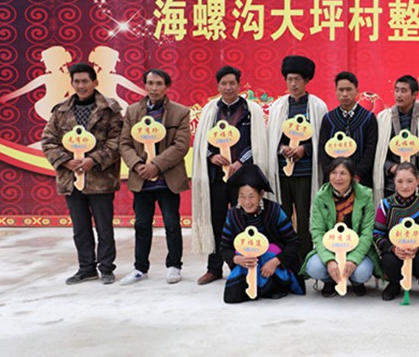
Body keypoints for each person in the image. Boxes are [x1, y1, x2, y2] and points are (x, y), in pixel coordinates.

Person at [41, 62, 123, 285]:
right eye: (76, 81)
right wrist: (66, 162)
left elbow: (117, 141)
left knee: (104, 227)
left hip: (100, 179)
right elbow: (48, 141)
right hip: (71, 178)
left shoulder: (109, 109)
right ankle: (86, 268)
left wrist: (93, 159)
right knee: (80, 227)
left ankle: (106, 268)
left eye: (85, 81)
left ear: (95, 82)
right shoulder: (61, 111)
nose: (81, 85)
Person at [192, 65, 269, 285]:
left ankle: (243, 267)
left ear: (239, 85)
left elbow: (258, 141)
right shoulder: (210, 111)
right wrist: (212, 157)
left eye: (232, 83)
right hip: (217, 177)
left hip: (243, 179)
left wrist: (241, 161)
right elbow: (201, 142)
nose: (228, 88)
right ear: (218, 86)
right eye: (223, 84)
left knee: (243, 221)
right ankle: (214, 268)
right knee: (216, 221)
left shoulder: (251, 110)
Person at [118, 69, 190, 286]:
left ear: (167, 86)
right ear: (145, 85)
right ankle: (140, 268)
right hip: (141, 179)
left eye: (159, 83)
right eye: (150, 83)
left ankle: (174, 266)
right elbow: (124, 143)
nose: (154, 88)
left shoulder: (180, 112)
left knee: (171, 224)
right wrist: (138, 165)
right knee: (141, 225)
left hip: (167, 179)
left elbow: (181, 145)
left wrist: (156, 165)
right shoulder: (132, 111)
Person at [267, 55, 328, 260]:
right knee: (282, 217)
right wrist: (282, 148)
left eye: (297, 79)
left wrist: (305, 149)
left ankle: (305, 260)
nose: (293, 84)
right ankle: (284, 259)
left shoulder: (317, 107)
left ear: (307, 80)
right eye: (289, 79)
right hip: (282, 172)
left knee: (305, 217)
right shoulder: (278, 107)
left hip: (305, 172)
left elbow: (322, 139)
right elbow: (271, 137)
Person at [220, 165, 304, 303]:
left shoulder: (275, 211)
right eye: (242, 197)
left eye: (251, 196)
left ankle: (273, 284)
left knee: (269, 250)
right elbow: (224, 247)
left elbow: (293, 243)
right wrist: (236, 259)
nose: (247, 202)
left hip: (272, 263)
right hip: (247, 263)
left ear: (261, 194)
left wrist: (275, 262)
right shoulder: (233, 215)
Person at [301, 158, 381, 297]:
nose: (337, 178)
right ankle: (329, 281)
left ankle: (356, 282)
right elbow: (317, 231)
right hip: (330, 248)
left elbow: (367, 232)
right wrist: (329, 260)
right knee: (314, 267)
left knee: (362, 273)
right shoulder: (321, 197)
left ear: (352, 176)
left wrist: (353, 259)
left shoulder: (364, 196)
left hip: (356, 248)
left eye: (343, 173)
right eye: (334, 173)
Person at [373, 163, 419, 302]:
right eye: (400, 181)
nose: (405, 186)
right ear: (394, 182)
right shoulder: (385, 205)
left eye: (410, 181)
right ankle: (394, 283)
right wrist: (393, 249)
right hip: (395, 251)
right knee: (389, 260)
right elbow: (377, 234)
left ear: (418, 181)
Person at [373, 75, 419, 202]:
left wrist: (415, 173)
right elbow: (378, 153)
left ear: (414, 95)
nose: (398, 95)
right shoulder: (384, 118)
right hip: (391, 183)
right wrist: (392, 168)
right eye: (396, 90)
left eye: (403, 91)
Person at [318, 71, 378, 188]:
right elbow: (322, 147)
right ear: (336, 91)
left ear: (357, 91)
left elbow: (371, 149)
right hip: (334, 181)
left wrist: (357, 174)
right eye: (341, 90)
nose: (345, 94)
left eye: (349, 89)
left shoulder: (368, 118)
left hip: (361, 180)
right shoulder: (328, 118)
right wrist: (332, 173)